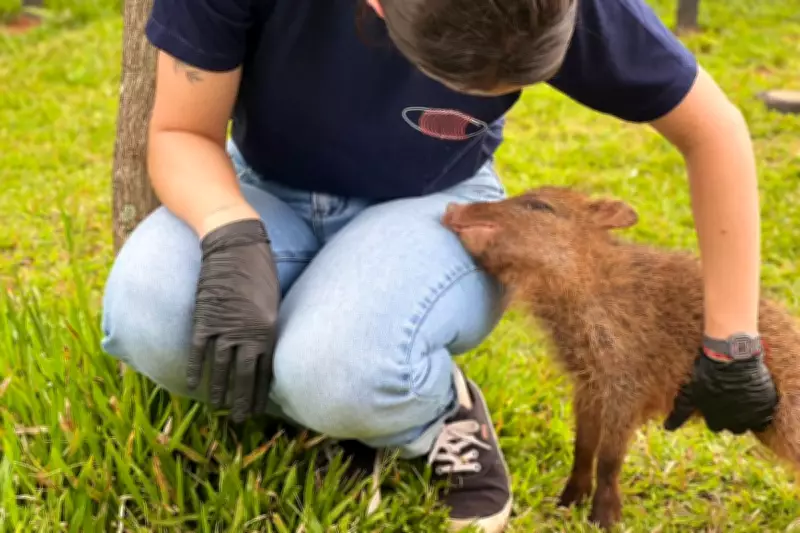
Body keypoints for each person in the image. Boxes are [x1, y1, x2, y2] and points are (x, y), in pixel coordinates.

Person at [100, 0, 778, 530]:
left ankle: (429, 410)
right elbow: (181, 132)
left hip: (435, 201)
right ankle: (346, 397)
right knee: (146, 315)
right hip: (259, 185)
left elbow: (714, 129)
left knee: (334, 370)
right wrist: (228, 234)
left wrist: (733, 341)